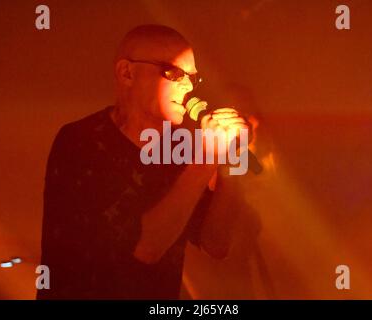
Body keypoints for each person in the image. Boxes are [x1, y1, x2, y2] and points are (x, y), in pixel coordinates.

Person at [37, 24, 250, 299]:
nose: (188, 87)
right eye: (173, 72)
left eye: (193, 78)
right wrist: (206, 160)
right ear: (127, 73)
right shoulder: (81, 140)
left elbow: (215, 243)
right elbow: (144, 248)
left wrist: (235, 162)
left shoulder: (180, 147)